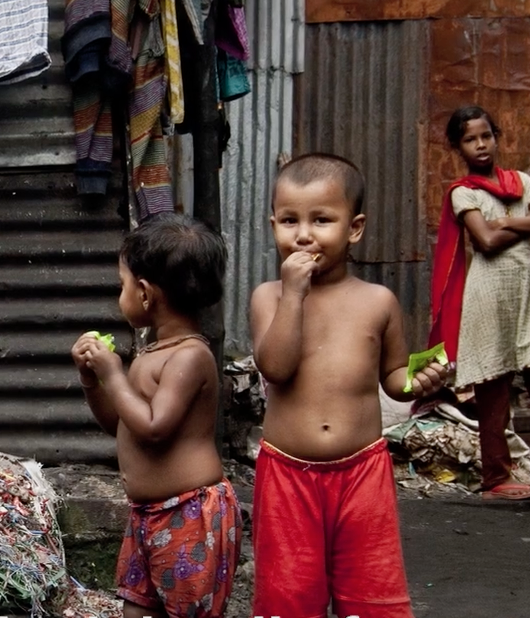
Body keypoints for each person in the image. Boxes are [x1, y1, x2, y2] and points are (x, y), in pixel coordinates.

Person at [250, 153, 447, 618]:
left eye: (321, 220)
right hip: (286, 475)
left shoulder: (378, 302)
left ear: (354, 228)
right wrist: (293, 294)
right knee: (289, 595)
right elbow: (275, 367)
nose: (302, 235)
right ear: (272, 222)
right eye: (289, 220)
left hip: (363, 474)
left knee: (372, 592)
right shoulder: (268, 297)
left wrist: (420, 381)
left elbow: (394, 379)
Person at [71, 213, 242, 618]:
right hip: (146, 517)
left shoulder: (191, 356)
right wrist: (91, 381)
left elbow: (152, 428)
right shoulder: (151, 353)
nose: (121, 294)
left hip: (188, 515)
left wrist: (112, 373)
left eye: (122, 285)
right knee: (136, 610)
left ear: (145, 294)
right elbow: (120, 423)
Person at [429, 105, 530, 501]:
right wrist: (518, 225)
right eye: (470, 139)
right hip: (490, 297)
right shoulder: (463, 193)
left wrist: (504, 222)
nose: (481, 145)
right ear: (459, 147)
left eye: (486, 135)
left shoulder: (522, 181)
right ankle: (496, 479)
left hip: (526, 290)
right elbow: (484, 242)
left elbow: (492, 231)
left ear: (496, 136)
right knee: (494, 391)